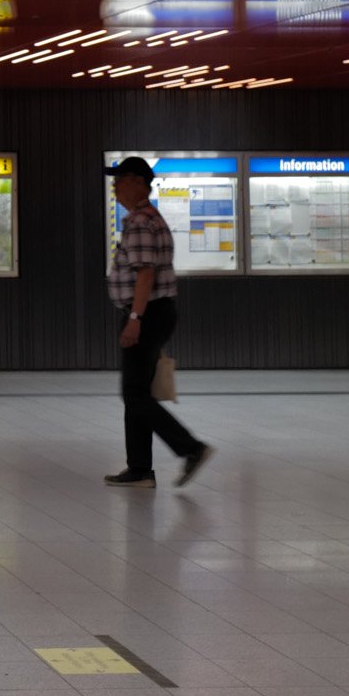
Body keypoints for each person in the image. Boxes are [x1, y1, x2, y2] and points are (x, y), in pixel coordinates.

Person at [105, 156, 213, 490]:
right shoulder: (152, 218)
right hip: (155, 312)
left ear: (138, 181)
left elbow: (145, 274)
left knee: (134, 394)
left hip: (147, 312)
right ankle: (139, 469)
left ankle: (190, 448)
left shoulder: (139, 221)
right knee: (136, 391)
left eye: (119, 179)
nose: (114, 187)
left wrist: (135, 318)